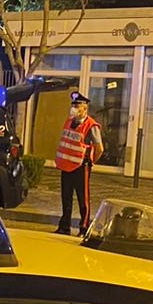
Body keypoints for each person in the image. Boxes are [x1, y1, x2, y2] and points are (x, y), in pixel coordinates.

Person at [55, 91, 104, 237]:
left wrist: (91, 161)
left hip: (81, 166)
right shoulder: (69, 121)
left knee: (83, 199)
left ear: (85, 109)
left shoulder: (91, 126)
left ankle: (84, 228)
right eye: (73, 105)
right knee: (66, 197)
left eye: (77, 106)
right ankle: (64, 227)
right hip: (66, 165)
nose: (74, 108)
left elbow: (99, 148)